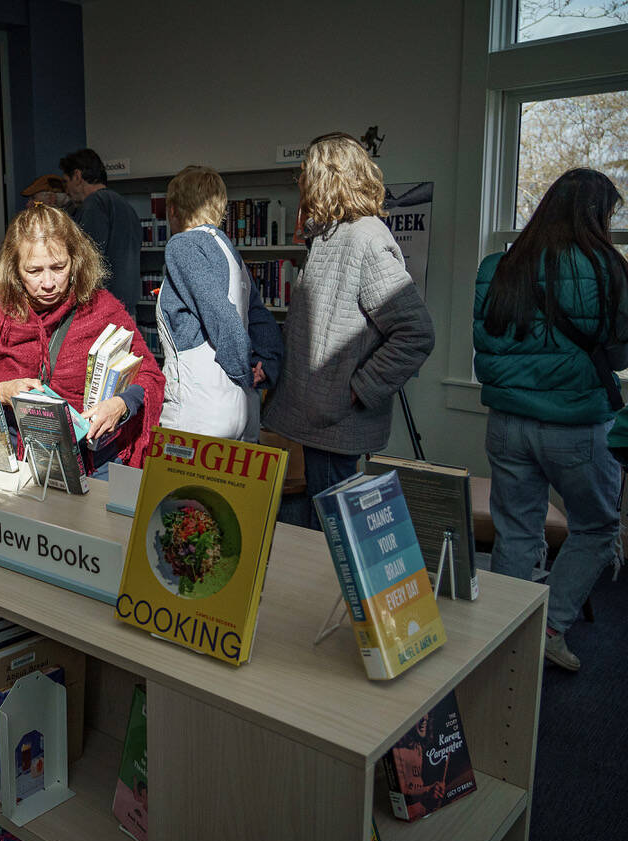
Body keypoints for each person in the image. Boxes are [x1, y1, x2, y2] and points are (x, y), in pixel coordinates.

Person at [474, 167, 628, 672]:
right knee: (599, 528)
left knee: (516, 532)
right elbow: (620, 354)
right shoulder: (609, 268)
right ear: (597, 215)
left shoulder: (500, 265)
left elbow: (487, 342)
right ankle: (551, 627)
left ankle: (504, 633)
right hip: (577, 427)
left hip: (508, 424)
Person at [263, 132, 433, 522]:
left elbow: (416, 332)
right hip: (316, 418)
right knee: (312, 529)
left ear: (326, 178)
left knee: (331, 534)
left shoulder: (365, 239)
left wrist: (359, 388)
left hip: (336, 420)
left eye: (306, 174)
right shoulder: (329, 236)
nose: (301, 184)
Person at [0, 202, 164, 468]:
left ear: (76, 261)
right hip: (12, 464)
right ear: (13, 270)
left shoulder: (101, 308)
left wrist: (121, 404)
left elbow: (150, 375)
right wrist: (0, 392)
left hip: (92, 462)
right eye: (33, 271)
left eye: (59, 268)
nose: (47, 283)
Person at [158, 165, 274, 442]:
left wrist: (244, 370)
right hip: (242, 406)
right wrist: (263, 366)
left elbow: (221, 315)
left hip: (199, 408)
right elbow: (261, 321)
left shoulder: (182, 246)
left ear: (173, 209)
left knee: (178, 485)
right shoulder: (229, 250)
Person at [60, 148, 141, 315]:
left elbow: (88, 260)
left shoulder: (94, 204)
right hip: (127, 309)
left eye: (66, 181)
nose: (66, 190)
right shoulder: (124, 206)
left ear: (77, 176)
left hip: (104, 311)